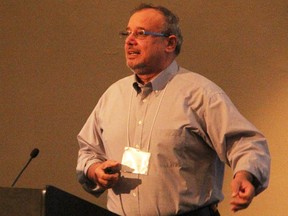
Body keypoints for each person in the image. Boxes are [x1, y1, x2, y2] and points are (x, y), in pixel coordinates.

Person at [76, 3, 270, 216]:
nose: (129, 40)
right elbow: (88, 150)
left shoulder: (200, 94)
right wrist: (95, 171)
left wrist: (246, 174)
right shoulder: (113, 96)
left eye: (141, 33)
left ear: (169, 43)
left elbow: (245, 142)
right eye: (127, 33)